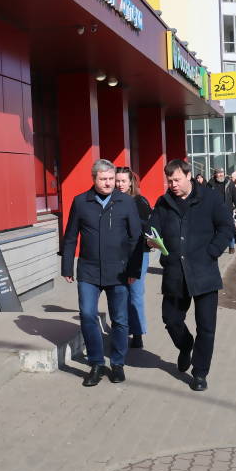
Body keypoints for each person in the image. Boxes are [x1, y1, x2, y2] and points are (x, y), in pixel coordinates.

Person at [147, 159, 234, 392]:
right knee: (171, 319)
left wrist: (212, 252)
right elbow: (152, 228)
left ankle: (199, 373)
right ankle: (186, 345)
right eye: (169, 181)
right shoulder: (163, 202)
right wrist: (150, 240)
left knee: (206, 327)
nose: (173, 185)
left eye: (176, 180)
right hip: (175, 273)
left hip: (204, 272)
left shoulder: (210, 198)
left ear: (189, 176)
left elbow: (226, 227)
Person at [62, 159, 142, 387]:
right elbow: (71, 236)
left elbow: (136, 238)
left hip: (119, 271)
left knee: (120, 319)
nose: (108, 183)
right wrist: (67, 266)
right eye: (103, 179)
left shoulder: (126, 202)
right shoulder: (81, 202)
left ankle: (117, 364)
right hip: (89, 270)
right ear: (94, 179)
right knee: (88, 315)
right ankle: (96, 364)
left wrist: (134, 269)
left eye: (111, 179)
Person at [115, 167, 152, 349]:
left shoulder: (139, 202)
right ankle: (123, 329)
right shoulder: (112, 201)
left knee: (135, 293)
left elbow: (148, 228)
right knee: (121, 293)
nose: (120, 184)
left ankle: (137, 333)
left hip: (138, 253)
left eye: (123, 181)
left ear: (131, 182)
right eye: (117, 181)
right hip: (117, 254)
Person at [207, 168, 236, 254]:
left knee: (229, 228)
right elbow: (206, 196)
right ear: (215, 174)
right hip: (214, 211)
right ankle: (216, 247)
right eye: (219, 173)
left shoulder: (229, 183)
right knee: (215, 230)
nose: (221, 174)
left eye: (222, 172)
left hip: (227, 210)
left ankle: (231, 246)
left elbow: (235, 196)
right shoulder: (210, 184)